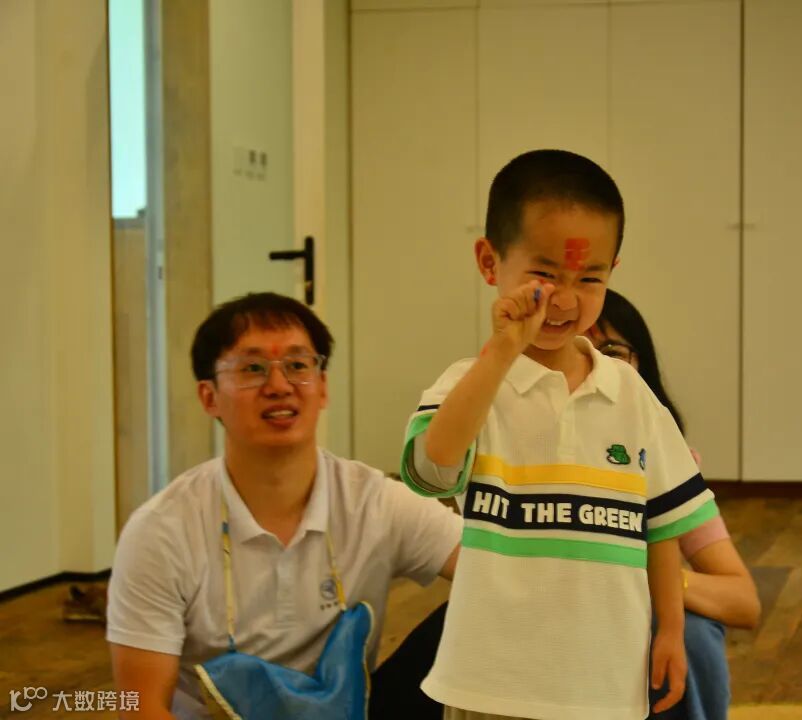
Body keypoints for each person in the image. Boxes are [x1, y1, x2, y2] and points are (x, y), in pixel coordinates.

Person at [400, 149, 720, 720]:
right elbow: (433, 467)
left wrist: (671, 628)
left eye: (589, 278)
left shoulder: (630, 394)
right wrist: (502, 352)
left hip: (604, 684)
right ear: (490, 261)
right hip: (489, 685)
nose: (566, 299)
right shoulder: (470, 385)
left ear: (612, 271)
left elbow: (663, 523)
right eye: (545, 275)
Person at [107, 292, 463, 719]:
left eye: (297, 365)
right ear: (209, 396)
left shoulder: (373, 500)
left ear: (322, 387)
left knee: (475, 609)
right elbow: (141, 707)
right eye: (252, 368)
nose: (279, 386)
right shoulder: (160, 530)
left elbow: (492, 570)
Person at [589, 289, 761, 720]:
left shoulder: (668, 463)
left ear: (641, 367)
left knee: (691, 634)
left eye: (612, 352)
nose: (593, 368)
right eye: (575, 351)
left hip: (635, 616)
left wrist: (661, 584)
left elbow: (742, 601)